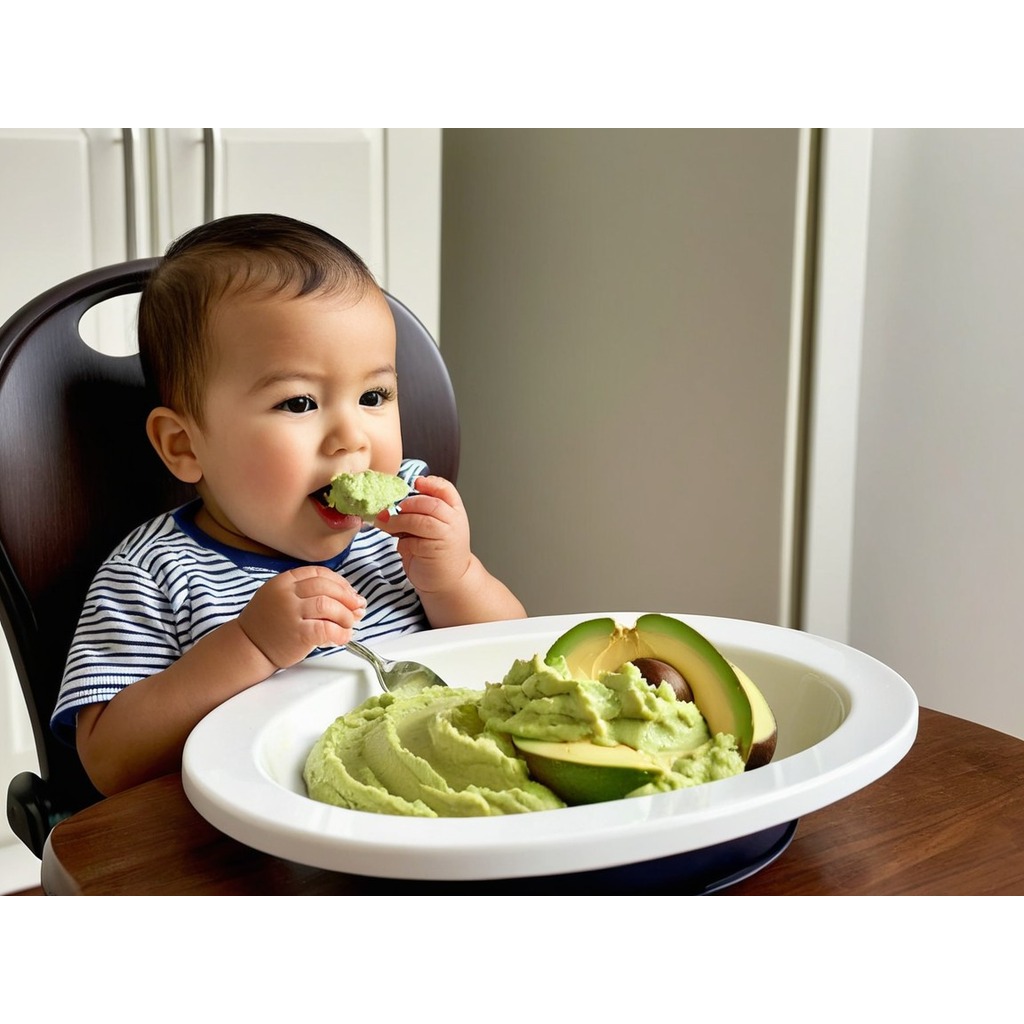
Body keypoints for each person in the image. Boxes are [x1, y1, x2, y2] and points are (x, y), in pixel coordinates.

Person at [51, 213, 526, 796]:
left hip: (444, 794)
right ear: (184, 445)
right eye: (299, 403)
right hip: (264, 843)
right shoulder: (155, 575)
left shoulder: (401, 532)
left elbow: (513, 656)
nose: (351, 437)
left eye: (374, 395)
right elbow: (109, 763)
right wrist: (251, 644)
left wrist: (456, 577)